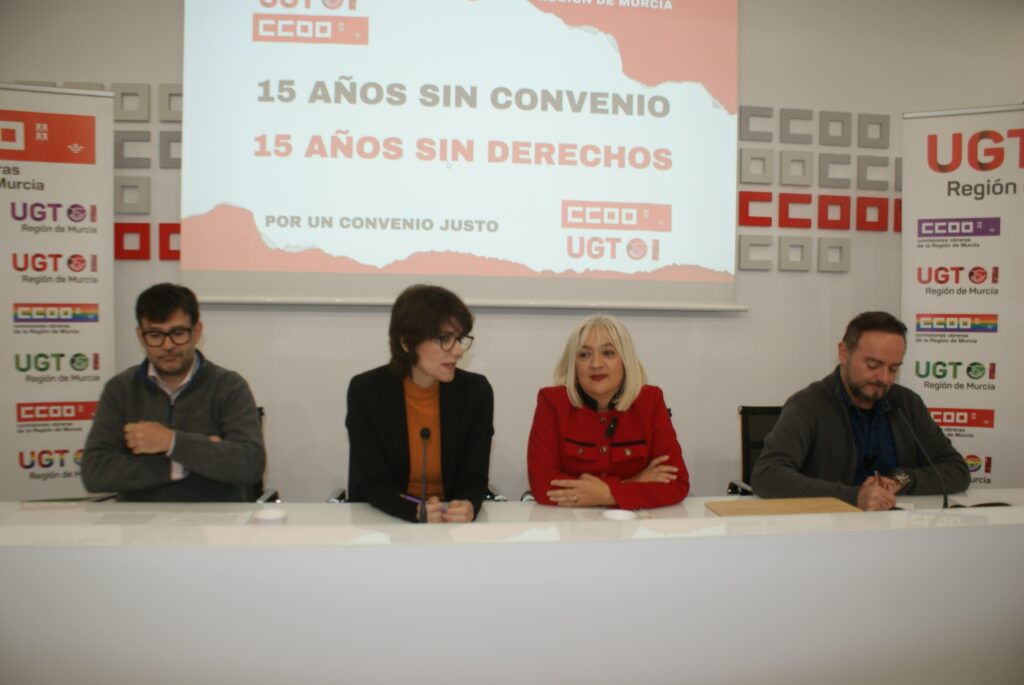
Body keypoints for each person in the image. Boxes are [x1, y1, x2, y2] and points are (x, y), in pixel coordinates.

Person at [751, 311, 970, 510]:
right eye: (873, 365)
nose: (884, 378)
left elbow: (956, 469)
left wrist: (900, 480)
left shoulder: (906, 404)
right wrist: (852, 497)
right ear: (844, 353)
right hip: (828, 529)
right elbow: (767, 475)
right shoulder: (808, 405)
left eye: (893, 369)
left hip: (899, 528)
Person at [82, 283, 265, 501]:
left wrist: (171, 441)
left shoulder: (229, 386)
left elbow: (250, 465)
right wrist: (182, 464)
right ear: (140, 336)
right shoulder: (120, 389)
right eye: (155, 335)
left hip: (214, 517)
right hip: (140, 519)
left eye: (178, 333)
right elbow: (95, 472)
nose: (168, 345)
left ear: (197, 332)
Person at [346, 284, 493, 522]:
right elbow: (371, 480)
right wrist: (412, 511)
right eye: (445, 338)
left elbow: (473, 475)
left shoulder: (475, 391)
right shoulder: (367, 391)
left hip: (449, 520)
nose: (458, 350)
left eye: (459, 339)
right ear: (406, 343)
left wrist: (467, 504)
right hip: (385, 520)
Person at [527, 314, 689, 509]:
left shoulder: (650, 400)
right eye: (584, 355)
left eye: (608, 353)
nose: (596, 364)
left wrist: (607, 494)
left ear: (625, 360)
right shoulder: (553, 402)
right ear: (573, 364)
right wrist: (630, 484)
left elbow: (676, 484)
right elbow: (542, 485)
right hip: (570, 523)